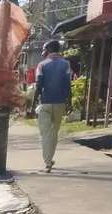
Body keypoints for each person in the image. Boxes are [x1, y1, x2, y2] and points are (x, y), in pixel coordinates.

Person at [34, 39, 72, 172]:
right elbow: (68, 85)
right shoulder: (66, 64)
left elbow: (38, 85)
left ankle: (48, 162)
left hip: (45, 103)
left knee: (45, 134)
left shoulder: (41, 65)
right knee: (54, 132)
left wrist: (33, 104)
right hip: (60, 103)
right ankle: (49, 159)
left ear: (48, 50)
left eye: (45, 49)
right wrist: (69, 102)